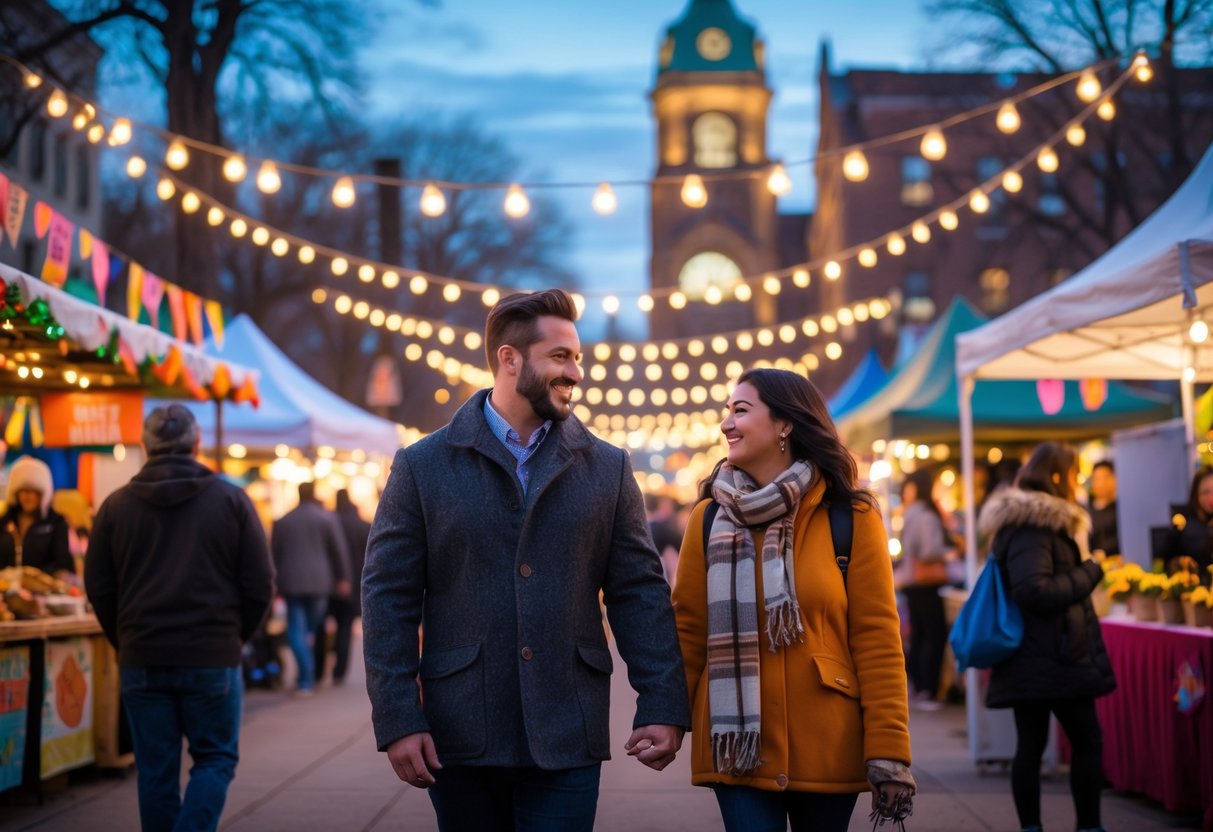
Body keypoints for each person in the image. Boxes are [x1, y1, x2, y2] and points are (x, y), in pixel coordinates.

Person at [362, 288, 690, 832]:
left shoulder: (607, 468)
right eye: (560, 357)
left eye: (577, 358)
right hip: (460, 731)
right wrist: (397, 716)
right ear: (508, 360)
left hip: (569, 727)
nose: (576, 373)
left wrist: (661, 701)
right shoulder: (423, 465)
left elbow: (639, 591)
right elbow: (386, 597)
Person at [672, 368, 914, 832]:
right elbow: (687, 633)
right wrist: (664, 721)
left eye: (741, 410)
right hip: (736, 748)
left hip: (828, 741)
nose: (727, 424)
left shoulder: (851, 516)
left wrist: (889, 748)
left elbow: (878, 639)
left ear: (786, 424)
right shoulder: (707, 519)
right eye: (728, 412)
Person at [84, 404, 275, 832]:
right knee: (215, 759)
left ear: (143, 446)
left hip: (142, 656)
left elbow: (98, 586)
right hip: (212, 654)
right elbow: (260, 583)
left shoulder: (114, 507)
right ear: (197, 443)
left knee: (155, 770)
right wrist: (234, 636)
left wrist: (125, 637)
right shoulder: (231, 501)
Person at [978, 441, 1115, 832]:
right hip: (1052, 655)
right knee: (1082, 742)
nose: (1079, 482)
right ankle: (1083, 827)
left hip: (1045, 654)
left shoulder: (1034, 522)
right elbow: (1033, 590)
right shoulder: (1034, 526)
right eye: (1075, 474)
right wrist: (1090, 572)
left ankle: (1041, 827)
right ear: (1058, 476)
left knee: (1035, 745)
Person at [272, 482, 350, 695]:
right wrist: (343, 577)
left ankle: (305, 678)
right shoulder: (325, 518)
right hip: (320, 581)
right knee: (310, 629)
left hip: (290, 581)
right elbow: (338, 549)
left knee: (297, 629)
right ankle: (307, 675)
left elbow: (274, 553)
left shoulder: (284, 520)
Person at [897, 467, 953, 710]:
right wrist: (950, 554)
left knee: (919, 635)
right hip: (926, 582)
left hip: (911, 582)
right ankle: (927, 688)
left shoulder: (910, 514)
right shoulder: (927, 516)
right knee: (934, 634)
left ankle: (919, 686)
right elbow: (929, 551)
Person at [313, 489, 370, 685]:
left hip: (329, 584)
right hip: (354, 584)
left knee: (321, 626)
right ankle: (339, 672)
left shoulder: (327, 522)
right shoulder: (363, 526)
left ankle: (318, 671)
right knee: (345, 627)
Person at [0, 456, 73, 579]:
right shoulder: (4, 520)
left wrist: (33, 577)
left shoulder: (56, 522)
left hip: (44, 593)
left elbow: (63, 564)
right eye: (23, 490)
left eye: (32, 490)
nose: (27, 496)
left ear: (43, 493)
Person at [1160, 465, 1213, 578]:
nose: (1211, 498)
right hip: (1192, 587)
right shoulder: (1183, 523)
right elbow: (1165, 558)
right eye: (1205, 492)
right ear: (1196, 494)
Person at [1085, 461, 1120, 556]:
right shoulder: (1085, 510)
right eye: (1096, 479)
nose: (1100, 483)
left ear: (1114, 479)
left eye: (1105, 478)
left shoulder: (1121, 509)